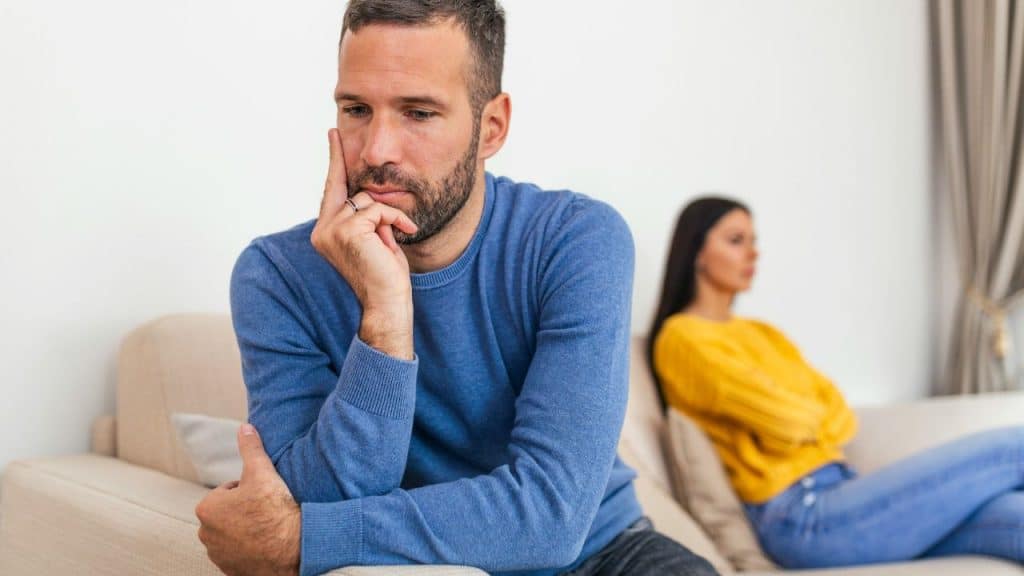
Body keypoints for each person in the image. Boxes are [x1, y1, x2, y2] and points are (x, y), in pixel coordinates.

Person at [194, 2, 720, 576]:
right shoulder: (276, 275)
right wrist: (386, 320)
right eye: (356, 109)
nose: (376, 151)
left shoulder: (577, 240)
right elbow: (315, 498)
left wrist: (302, 539)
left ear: (491, 127)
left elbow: (552, 517)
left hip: (607, 554)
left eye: (418, 113)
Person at [648, 196, 1024, 569]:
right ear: (697, 251)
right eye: (736, 240)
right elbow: (791, 422)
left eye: (754, 240)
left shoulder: (763, 333)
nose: (753, 253)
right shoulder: (681, 339)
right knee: (1012, 448)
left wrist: (803, 417)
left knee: (1010, 514)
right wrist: (807, 417)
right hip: (803, 517)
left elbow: (839, 413)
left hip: (844, 491)